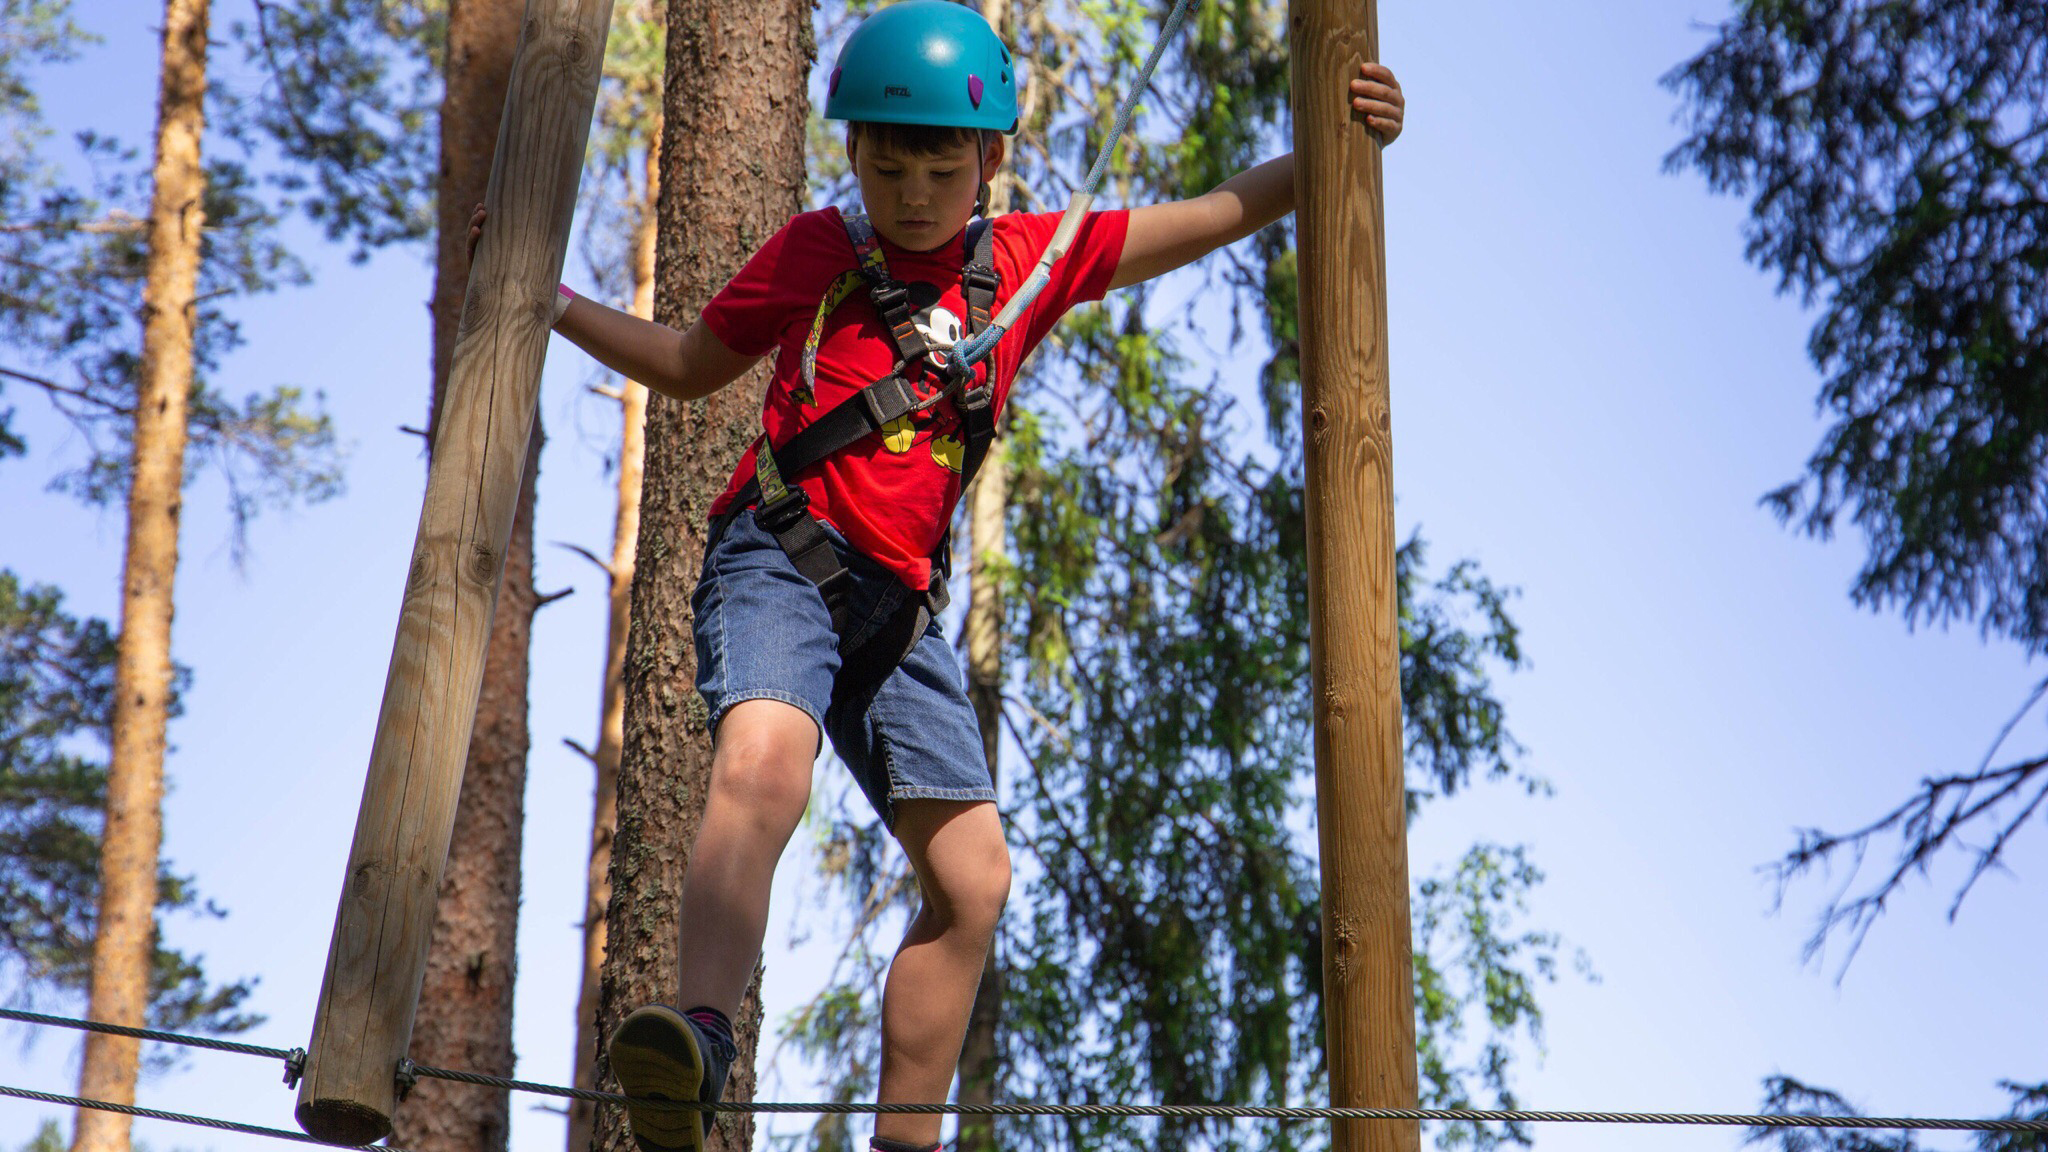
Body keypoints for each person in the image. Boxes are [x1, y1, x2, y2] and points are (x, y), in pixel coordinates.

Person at [485, 4, 1403, 1150]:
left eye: (939, 165)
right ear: (853, 155)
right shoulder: (819, 256)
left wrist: (1332, 140)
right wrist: (549, 304)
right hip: (781, 556)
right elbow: (684, 364)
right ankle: (700, 1036)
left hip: (897, 617)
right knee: (764, 764)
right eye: (886, 165)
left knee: (973, 882)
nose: (913, 192)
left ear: (991, 161)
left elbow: (1210, 214)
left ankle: (905, 1140)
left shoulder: (1025, 264)